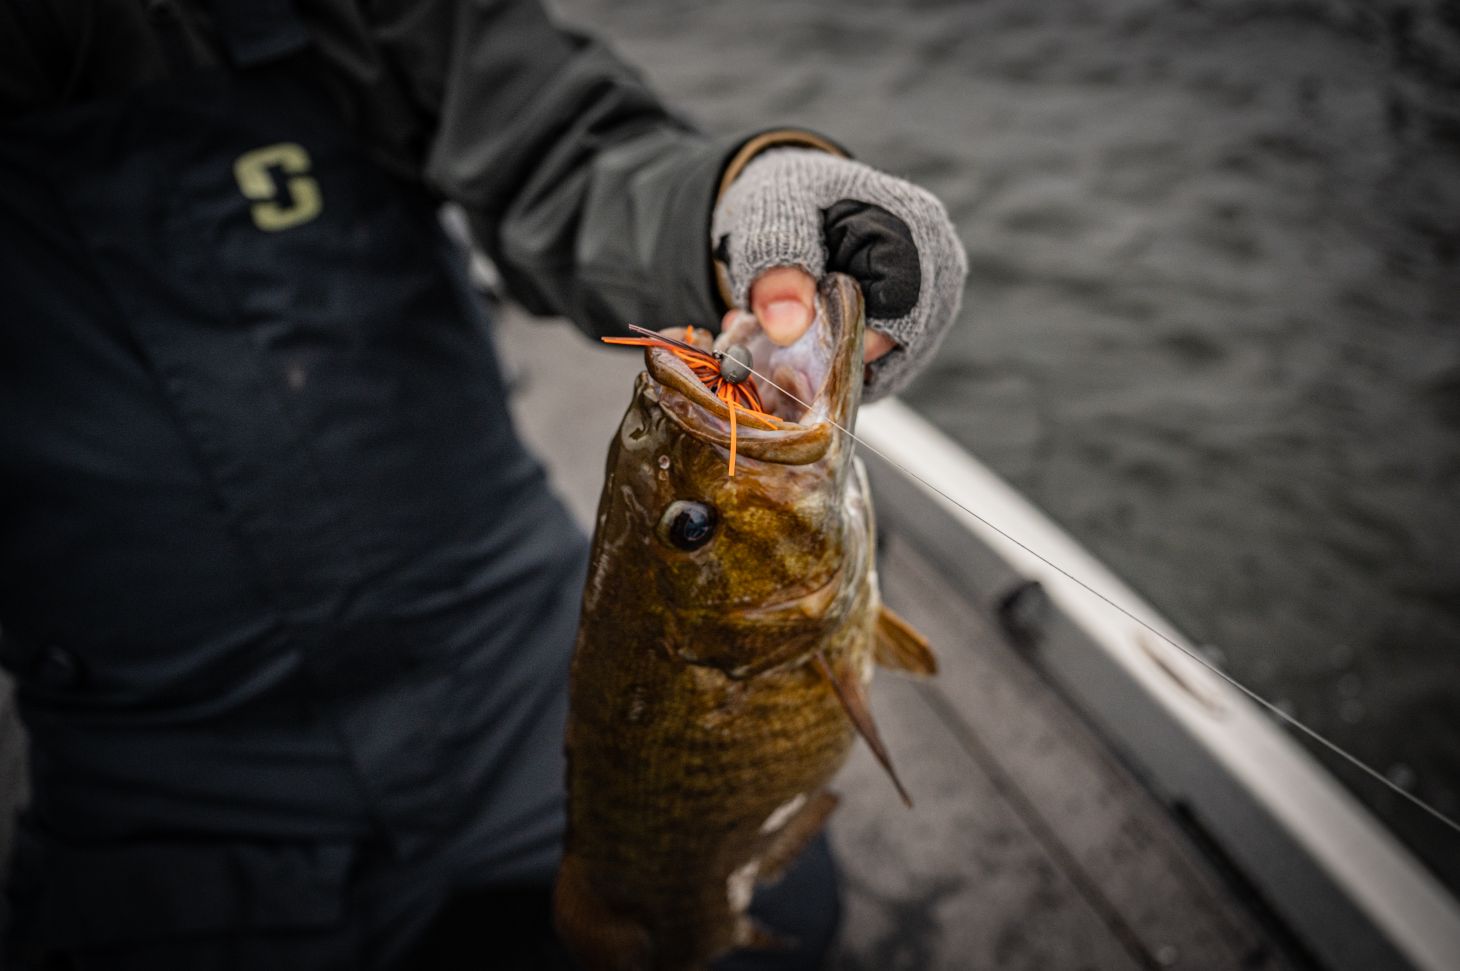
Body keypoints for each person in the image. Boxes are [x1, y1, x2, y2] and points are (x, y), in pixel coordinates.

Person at [0, 0, 966, 967]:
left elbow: (561, 149)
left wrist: (735, 207)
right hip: (155, 759)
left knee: (777, 928)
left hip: (503, 632)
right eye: (691, 515)